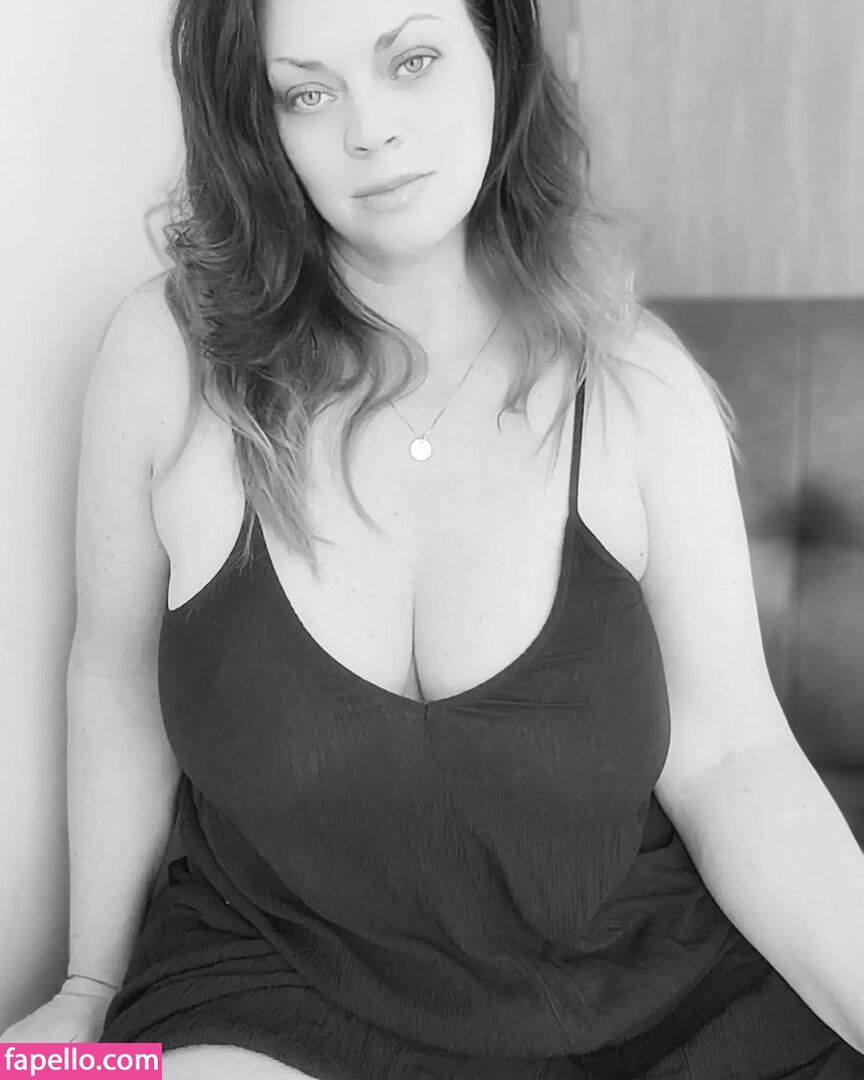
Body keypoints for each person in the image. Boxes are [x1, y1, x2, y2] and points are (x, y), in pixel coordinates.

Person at [4, 0, 864, 1076]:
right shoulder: (164, 360)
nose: (368, 129)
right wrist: (88, 989)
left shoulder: (638, 386)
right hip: (274, 996)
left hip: (641, 1004)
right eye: (306, 91)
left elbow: (735, 760)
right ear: (259, 124)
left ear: (499, 56)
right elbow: (118, 677)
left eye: (411, 60)